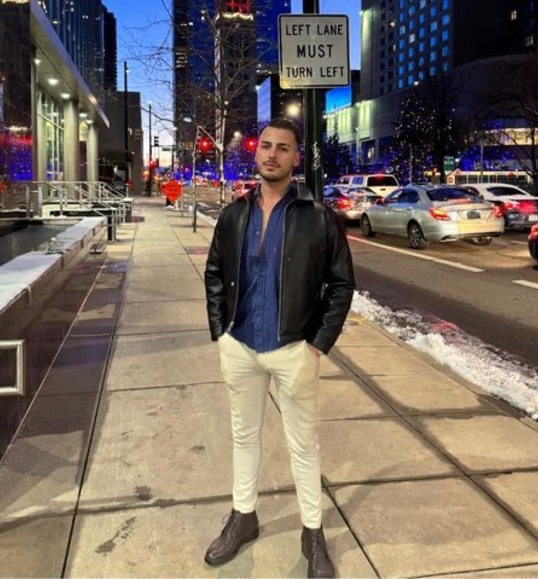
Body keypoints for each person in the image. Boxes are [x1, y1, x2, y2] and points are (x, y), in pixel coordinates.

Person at [204, 117, 355, 578]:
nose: (272, 154)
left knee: (303, 444)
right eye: (266, 145)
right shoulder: (235, 214)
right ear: (257, 152)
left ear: (295, 157)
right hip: (240, 344)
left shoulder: (318, 217)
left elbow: (341, 285)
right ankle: (243, 517)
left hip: (293, 348)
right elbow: (214, 273)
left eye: (283, 147)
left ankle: (313, 533)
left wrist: (318, 343)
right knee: (244, 435)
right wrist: (220, 331)